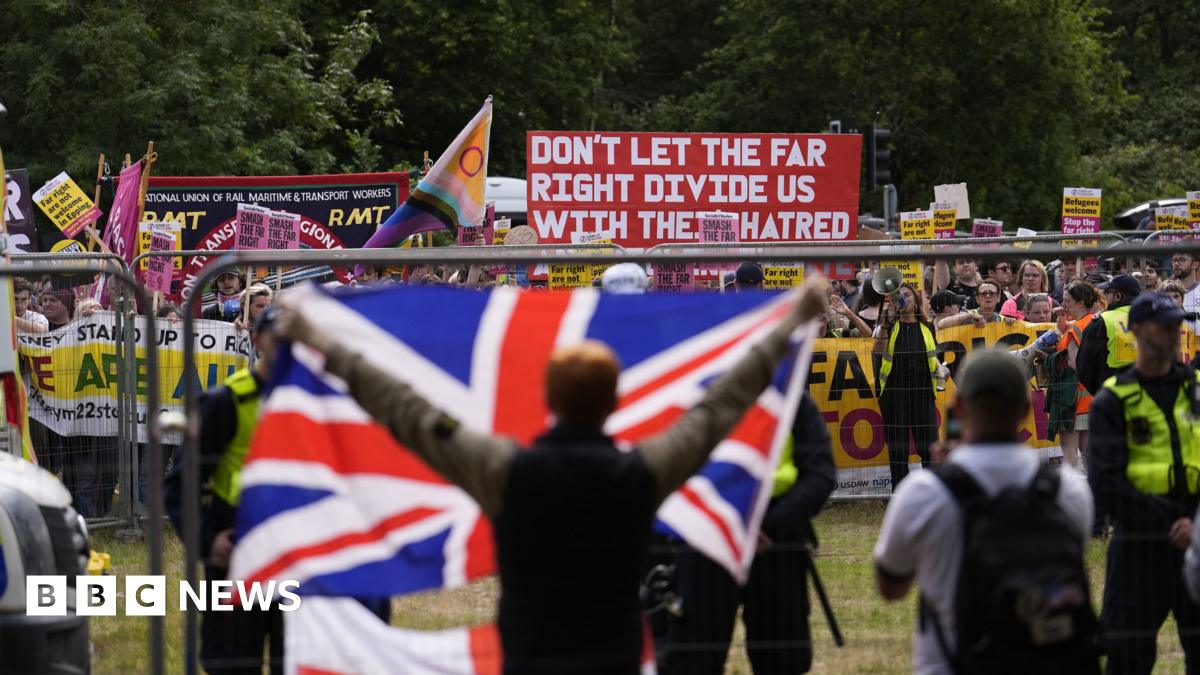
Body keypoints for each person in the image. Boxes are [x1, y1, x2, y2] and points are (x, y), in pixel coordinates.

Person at [276, 277, 831, 675]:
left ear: (546, 399)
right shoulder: (640, 475)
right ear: (616, 401)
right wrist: (792, 320)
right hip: (613, 655)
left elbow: (407, 411)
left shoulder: (504, 471)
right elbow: (720, 407)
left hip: (530, 657)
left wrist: (323, 342)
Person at [874, 349, 1095, 674]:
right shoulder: (1070, 491)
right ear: (1024, 411)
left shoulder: (925, 493)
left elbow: (891, 586)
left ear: (959, 409)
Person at [662, 391, 835, 674]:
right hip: (706, 539)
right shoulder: (692, 393)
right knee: (694, 658)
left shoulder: (790, 398)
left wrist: (767, 526)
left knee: (782, 659)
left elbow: (820, 475)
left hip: (775, 544)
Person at [164, 309, 284, 673]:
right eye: (281, 339)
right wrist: (206, 541)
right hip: (235, 550)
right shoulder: (226, 402)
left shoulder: (317, 401)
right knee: (231, 660)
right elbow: (180, 485)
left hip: (294, 554)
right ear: (259, 340)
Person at [1087, 292, 1200, 673]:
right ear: (1135, 330)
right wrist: (1172, 520)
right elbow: (1107, 483)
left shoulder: (1195, 389)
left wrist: (1195, 521)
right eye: (1164, 325)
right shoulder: (1113, 400)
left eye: (1177, 324)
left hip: (1196, 539)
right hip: (1139, 544)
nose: (1174, 332)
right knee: (1126, 657)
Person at [873, 284, 939, 490]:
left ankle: (933, 491)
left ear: (916, 300)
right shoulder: (888, 326)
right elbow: (877, 350)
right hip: (894, 394)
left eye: (907, 294)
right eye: (898, 297)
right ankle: (900, 492)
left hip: (923, 393)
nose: (903, 298)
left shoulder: (927, 327)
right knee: (898, 448)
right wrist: (886, 321)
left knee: (928, 445)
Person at [1077, 273, 1140, 396]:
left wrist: (1101, 393)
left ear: (1117, 296)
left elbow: (1084, 368)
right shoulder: (1155, 319)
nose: (1104, 297)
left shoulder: (1102, 321)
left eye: (1107, 294)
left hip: (1113, 398)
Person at [935, 279, 1008, 329]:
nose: (988, 296)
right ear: (977, 299)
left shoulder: (1003, 320)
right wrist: (969, 315)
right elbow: (940, 325)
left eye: (991, 293)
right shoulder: (968, 314)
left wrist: (1012, 324)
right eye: (983, 293)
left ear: (998, 297)